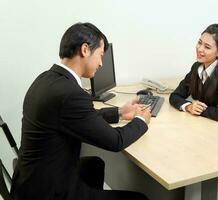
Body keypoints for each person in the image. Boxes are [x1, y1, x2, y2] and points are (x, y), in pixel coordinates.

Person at [10, 22, 151, 200]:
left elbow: (78, 117)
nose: (101, 63)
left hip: (29, 181)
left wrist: (120, 112)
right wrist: (141, 121)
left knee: (95, 164)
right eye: (100, 55)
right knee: (139, 199)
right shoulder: (70, 94)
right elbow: (115, 141)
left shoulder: (47, 79)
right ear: (85, 50)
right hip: (48, 193)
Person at [169, 24, 218, 125]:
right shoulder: (196, 67)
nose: (200, 49)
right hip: (207, 125)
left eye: (207, 47)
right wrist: (188, 106)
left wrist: (197, 109)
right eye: (199, 43)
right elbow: (175, 96)